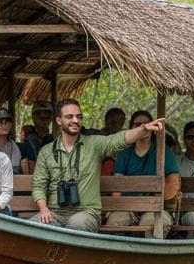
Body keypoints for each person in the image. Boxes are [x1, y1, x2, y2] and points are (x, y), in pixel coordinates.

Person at [31, 99, 165, 232]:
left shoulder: (94, 144)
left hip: (86, 213)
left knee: (76, 225)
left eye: (79, 117)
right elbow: (38, 186)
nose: (76, 120)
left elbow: (118, 140)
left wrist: (142, 129)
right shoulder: (46, 151)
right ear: (59, 120)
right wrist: (44, 210)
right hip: (55, 213)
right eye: (69, 117)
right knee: (32, 225)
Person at [104, 109, 181, 238]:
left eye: (146, 123)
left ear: (153, 128)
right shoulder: (124, 152)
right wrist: (120, 206)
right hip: (128, 208)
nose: (143, 127)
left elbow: (173, 185)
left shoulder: (165, 152)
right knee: (114, 223)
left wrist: (149, 203)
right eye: (137, 124)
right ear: (131, 128)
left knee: (149, 224)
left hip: (157, 209)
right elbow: (117, 186)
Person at [19, 100, 55, 174]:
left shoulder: (54, 138)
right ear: (33, 117)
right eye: (41, 117)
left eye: (47, 117)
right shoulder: (30, 139)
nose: (44, 120)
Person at [0, 106, 23, 172]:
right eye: (0, 122)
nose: (4, 125)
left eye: (8, 121)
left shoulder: (16, 147)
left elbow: (16, 170)